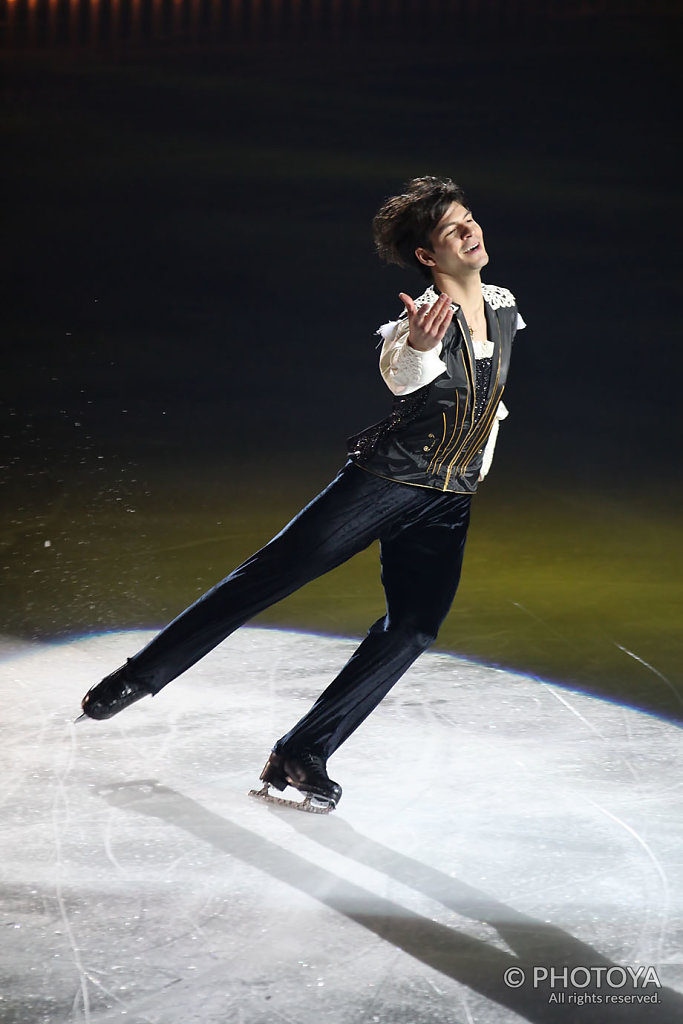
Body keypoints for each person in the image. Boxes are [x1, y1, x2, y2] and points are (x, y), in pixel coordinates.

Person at [80, 176, 525, 812]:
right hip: (384, 482)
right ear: (428, 256)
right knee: (267, 578)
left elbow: (489, 398)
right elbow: (403, 377)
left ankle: (302, 752)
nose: (469, 231)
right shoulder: (410, 327)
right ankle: (140, 676)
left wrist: (477, 464)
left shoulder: (505, 305)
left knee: (414, 629)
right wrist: (422, 346)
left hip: (449, 500)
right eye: (452, 229)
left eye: (469, 219)